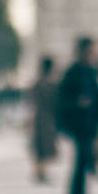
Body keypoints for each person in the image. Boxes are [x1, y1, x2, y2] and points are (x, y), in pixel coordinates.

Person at [56, 36, 98, 194]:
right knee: (81, 164)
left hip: (89, 125)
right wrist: (78, 103)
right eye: (92, 50)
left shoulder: (91, 72)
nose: (94, 54)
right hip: (78, 126)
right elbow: (62, 101)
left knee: (84, 164)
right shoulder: (73, 73)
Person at [27, 56, 59, 184]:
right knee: (43, 146)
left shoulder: (37, 83)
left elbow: (31, 102)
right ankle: (40, 172)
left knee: (38, 146)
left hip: (39, 117)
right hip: (46, 118)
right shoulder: (50, 85)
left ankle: (39, 172)